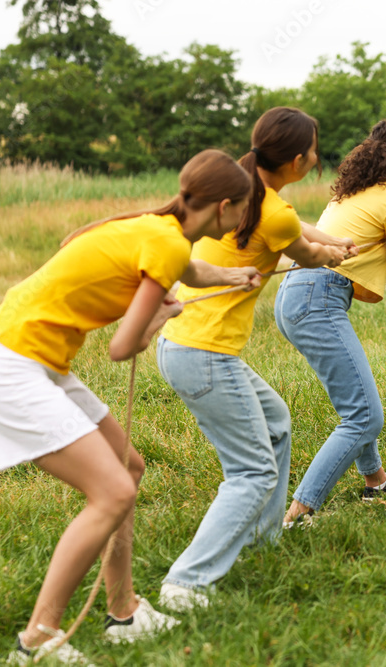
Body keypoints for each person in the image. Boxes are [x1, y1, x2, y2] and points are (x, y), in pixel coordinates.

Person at [0, 149, 260, 664]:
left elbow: (189, 268)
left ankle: (123, 613)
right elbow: (123, 346)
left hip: (31, 358)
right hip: (8, 367)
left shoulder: (160, 228)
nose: (243, 219)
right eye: (243, 210)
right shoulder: (164, 242)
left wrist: (233, 278)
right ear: (225, 207)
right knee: (112, 492)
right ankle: (37, 640)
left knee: (129, 467)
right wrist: (161, 318)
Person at [155, 108, 356, 612]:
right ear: (297, 159)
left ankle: (263, 542)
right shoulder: (270, 209)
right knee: (253, 473)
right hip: (204, 355)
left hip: (184, 346)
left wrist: (331, 238)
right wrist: (332, 254)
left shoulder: (249, 189)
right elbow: (304, 255)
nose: (315, 158)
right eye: (313, 150)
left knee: (277, 422)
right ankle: (186, 583)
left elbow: (293, 226)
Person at [274, 119, 386, 527]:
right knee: (365, 415)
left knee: (358, 402)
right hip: (320, 297)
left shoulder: (354, 190)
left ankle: (376, 482)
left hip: (297, 293)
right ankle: (299, 513)